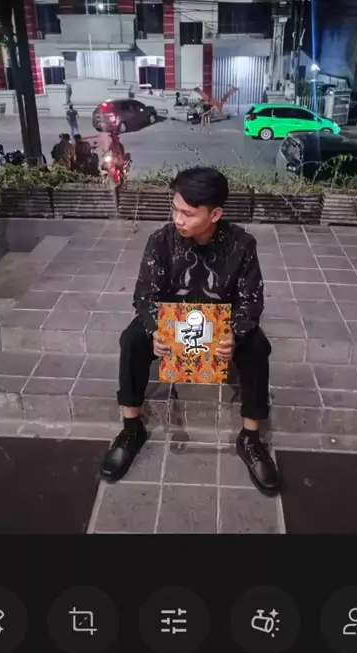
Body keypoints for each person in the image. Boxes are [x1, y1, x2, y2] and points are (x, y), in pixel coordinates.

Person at [100, 166, 280, 496]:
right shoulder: (161, 241)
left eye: (187, 213)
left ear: (215, 214)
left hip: (219, 325)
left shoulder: (241, 245)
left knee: (257, 347)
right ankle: (131, 427)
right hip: (172, 324)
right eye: (175, 209)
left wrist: (234, 333)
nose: (178, 219)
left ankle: (250, 438)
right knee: (133, 339)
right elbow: (144, 295)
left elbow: (251, 300)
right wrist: (156, 329)